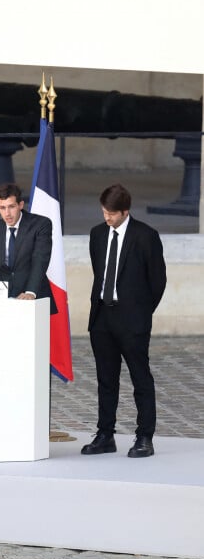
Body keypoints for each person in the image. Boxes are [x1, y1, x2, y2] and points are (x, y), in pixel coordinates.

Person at [82, 184, 166, 458]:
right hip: (102, 317)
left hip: (132, 320)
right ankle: (105, 434)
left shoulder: (145, 236)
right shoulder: (97, 234)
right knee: (106, 379)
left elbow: (157, 281)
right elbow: (99, 272)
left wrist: (141, 313)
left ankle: (145, 436)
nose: (107, 218)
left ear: (125, 211)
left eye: (112, 214)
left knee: (140, 377)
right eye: (104, 211)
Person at [0, 183, 56, 311]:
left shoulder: (41, 224)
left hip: (33, 296)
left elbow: (40, 260)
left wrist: (31, 292)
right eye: (2, 208)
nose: (7, 213)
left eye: (11, 207)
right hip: (1, 299)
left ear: (20, 205)